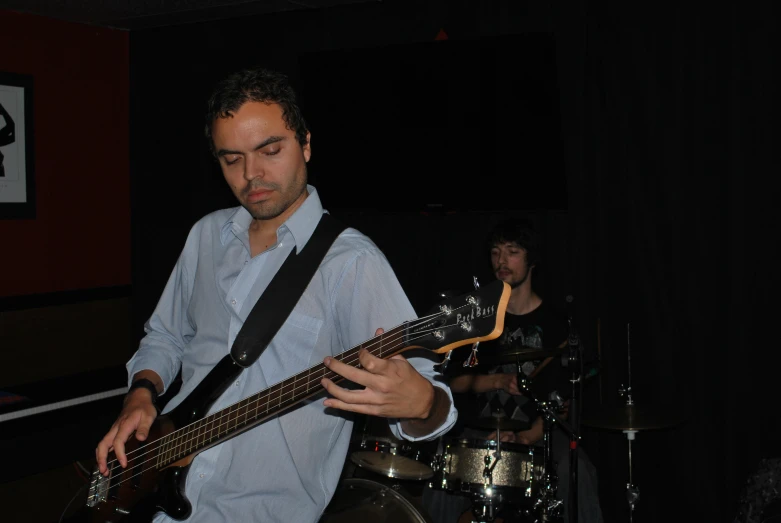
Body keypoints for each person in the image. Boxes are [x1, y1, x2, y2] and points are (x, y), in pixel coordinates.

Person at [94, 66, 457, 523]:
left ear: (305, 143)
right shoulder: (206, 236)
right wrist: (142, 393)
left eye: (270, 150)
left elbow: (431, 398)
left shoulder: (351, 263)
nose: (252, 175)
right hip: (159, 504)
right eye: (231, 159)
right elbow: (165, 337)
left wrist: (422, 404)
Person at [422, 217, 603, 523]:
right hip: (480, 428)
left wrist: (527, 438)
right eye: (495, 252)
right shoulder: (478, 318)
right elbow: (456, 383)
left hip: (539, 432)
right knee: (443, 467)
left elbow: (562, 403)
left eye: (512, 251)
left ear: (532, 260)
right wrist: (498, 380)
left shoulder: (559, 326)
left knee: (579, 471)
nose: (501, 261)